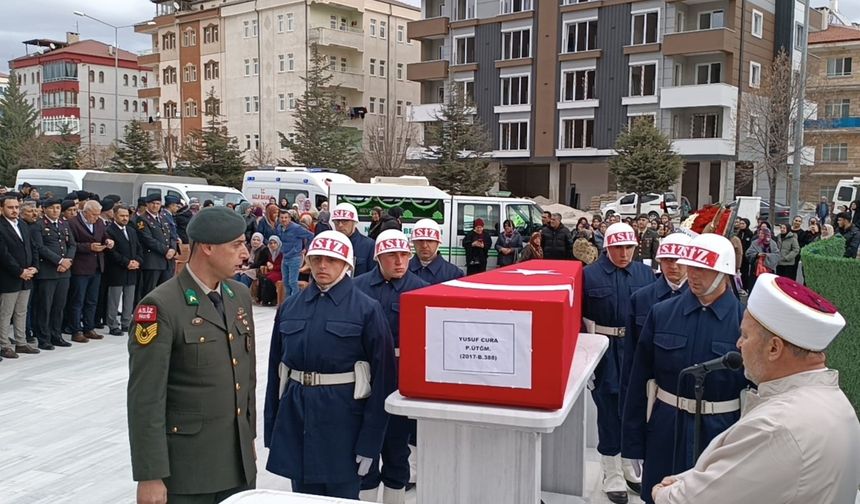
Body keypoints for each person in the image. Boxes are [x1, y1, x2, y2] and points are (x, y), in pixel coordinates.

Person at [652, 274, 860, 504]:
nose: (739, 344)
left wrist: (664, 492)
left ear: (774, 348)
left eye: (745, 335)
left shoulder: (775, 427)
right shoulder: (839, 405)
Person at [128, 206, 256, 504]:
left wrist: (248, 438)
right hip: (188, 472)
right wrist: (150, 475)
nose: (245, 253)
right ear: (208, 248)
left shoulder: (238, 295)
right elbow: (145, 398)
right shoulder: (160, 306)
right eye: (236, 245)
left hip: (236, 464)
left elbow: (246, 378)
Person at [264, 230, 396, 499]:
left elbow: (383, 380)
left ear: (347, 264)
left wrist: (370, 443)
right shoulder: (290, 307)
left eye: (332, 260)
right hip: (297, 418)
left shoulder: (367, 309)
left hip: (344, 424)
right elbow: (275, 371)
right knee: (302, 496)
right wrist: (272, 428)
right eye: (317, 259)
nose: (323, 266)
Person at [623, 233, 747, 504]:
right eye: (691, 267)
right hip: (666, 429)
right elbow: (637, 381)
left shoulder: (746, 323)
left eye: (702, 268)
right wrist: (632, 443)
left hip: (721, 435)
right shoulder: (661, 313)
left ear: (724, 272)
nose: (693, 275)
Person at [583, 223, 656, 504]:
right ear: (607, 248)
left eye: (629, 247)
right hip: (605, 349)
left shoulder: (644, 273)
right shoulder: (589, 275)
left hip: (636, 350)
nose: (624, 253)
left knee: (634, 408)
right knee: (609, 410)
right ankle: (610, 471)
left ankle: (629, 465)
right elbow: (578, 318)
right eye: (617, 248)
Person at [355, 230, 428, 503]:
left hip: (401, 381)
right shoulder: (357, 287)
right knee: (365, 453)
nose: (399, 261)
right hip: (366, 379)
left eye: (404, 255)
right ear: (378, 258)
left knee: (398, 451)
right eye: (392, 256)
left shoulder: (420, 290)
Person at [619, 232, 691, 406]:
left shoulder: (703, 300)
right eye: (667, 259)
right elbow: (631, 356)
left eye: (678, 260)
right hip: (649, 390)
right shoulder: (641, 298)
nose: (673, 265)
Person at [31, 198, 76, 350]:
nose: (55, 210)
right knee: (45, 306)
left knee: (59, 306)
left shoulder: (64, 224)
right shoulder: (39, 225)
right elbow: (40, 247)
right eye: (52, 208)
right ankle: (44, 338)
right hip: (48, 272)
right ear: (44, 209)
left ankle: (56, 335)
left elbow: (72, 244)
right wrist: (59, 261)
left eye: (57, 208)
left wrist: (68, 260)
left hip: (64, 272)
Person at [67, 200, 114, 342]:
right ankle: (76, 330)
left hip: (96, 266)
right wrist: (89, 247)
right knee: (78, 300)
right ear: (86, 212)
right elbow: (72, 244)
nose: (96, 217)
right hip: (80, 267)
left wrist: (108, 241)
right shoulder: (73, 223)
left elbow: (104, 235)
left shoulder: (99, 222)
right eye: (93, 215)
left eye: (98, 215)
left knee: (92, 300)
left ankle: (89, 327)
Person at [0, 195, 40, 359]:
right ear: (1, 209)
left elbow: (33, 247)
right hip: (9, 277)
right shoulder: (1, 226)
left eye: (16, 207)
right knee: (5, 313)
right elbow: (3, 255)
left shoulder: (23, 224)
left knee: (21, 311)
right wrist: (19, 271)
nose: (15, 210)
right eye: (10, 207)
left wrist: (34, 267)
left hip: (27, 276)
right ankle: (4, 345)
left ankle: (21, 342)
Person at [104, 205, 142, 336]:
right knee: (114, 299)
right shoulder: (109, 230)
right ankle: (113, 324)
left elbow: (138, 248)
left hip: (132, 270)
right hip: (117, 269)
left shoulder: (131, 230)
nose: (125, 218)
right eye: (122, 216)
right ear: (115, 216)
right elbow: (111, 252)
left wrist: (137, 261)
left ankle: (126, 322)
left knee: (129, 298)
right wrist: (126, 262)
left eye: (127, 215)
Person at [136, 194, 177, 300]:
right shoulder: (142, 219)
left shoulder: (163, 218)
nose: (155, 206)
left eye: (158, 203)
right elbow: (147, 239)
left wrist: (173, 249)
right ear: (147, 205)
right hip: (153, 261)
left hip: (167, 261)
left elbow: (172, 236)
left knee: (166, 291)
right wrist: (166, 250)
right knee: (149, 292)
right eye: (152, 203)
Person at [408, 218, 463, 285]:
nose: (424, 245)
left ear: (438, 243)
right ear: (413, 242)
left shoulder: (454, 274)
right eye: (420, 240)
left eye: (430, 241)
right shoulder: (402, 271)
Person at [330, 203, 376, 276]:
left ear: (354, 222)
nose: (340, 225)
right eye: (336, 221)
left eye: (345, 221)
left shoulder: (369, 245)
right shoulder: (329, 245)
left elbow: (373, 276)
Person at [276, 210, 314, 297]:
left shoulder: (296, 228)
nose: (284, 220)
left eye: (286, 218)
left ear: (289, 219)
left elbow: (311, 236)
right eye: (282, 218)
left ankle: (296, 301)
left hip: (295, 257)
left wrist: (306, 248)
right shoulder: (279, 228)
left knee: (293, 282)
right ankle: (288, 301)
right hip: (284, 257)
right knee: (285, 282)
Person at [258, 236, 283, 306]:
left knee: (268, 279)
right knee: (261, 277)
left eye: (275, 243)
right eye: (271, 243)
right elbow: (270, 262)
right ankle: (261, 299)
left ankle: (270, 299)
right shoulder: (271, 252)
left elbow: (283, 265)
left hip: (281, 272)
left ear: (278, 244)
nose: (273, 245)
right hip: (273, 271)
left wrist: (273, 267)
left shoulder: (282, 253)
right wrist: (268, 263)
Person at [734, 218, 755, 291]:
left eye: (743, 224)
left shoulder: (750, 234)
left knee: (745, 273)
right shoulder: (737, 233)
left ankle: (745, 287)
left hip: (745, 257)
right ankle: (737, 287)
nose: (741, 225)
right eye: (741, 223)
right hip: (738, 255)